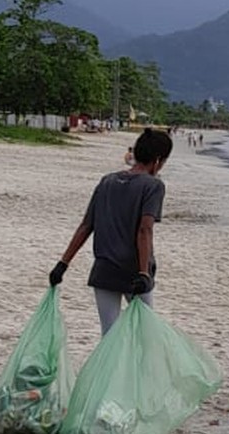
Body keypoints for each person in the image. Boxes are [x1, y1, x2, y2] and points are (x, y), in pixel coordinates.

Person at [50, 126, 173, 335]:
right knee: (146, 332)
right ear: (158, 160)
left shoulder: (107, 181)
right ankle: (136, 369)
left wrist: (63, 264)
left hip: (104, 269)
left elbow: (86, 225)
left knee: (109, 334)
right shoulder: (153, 186)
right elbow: (144, 230)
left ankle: (109, 369)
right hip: (135, 270)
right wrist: (144, 273)